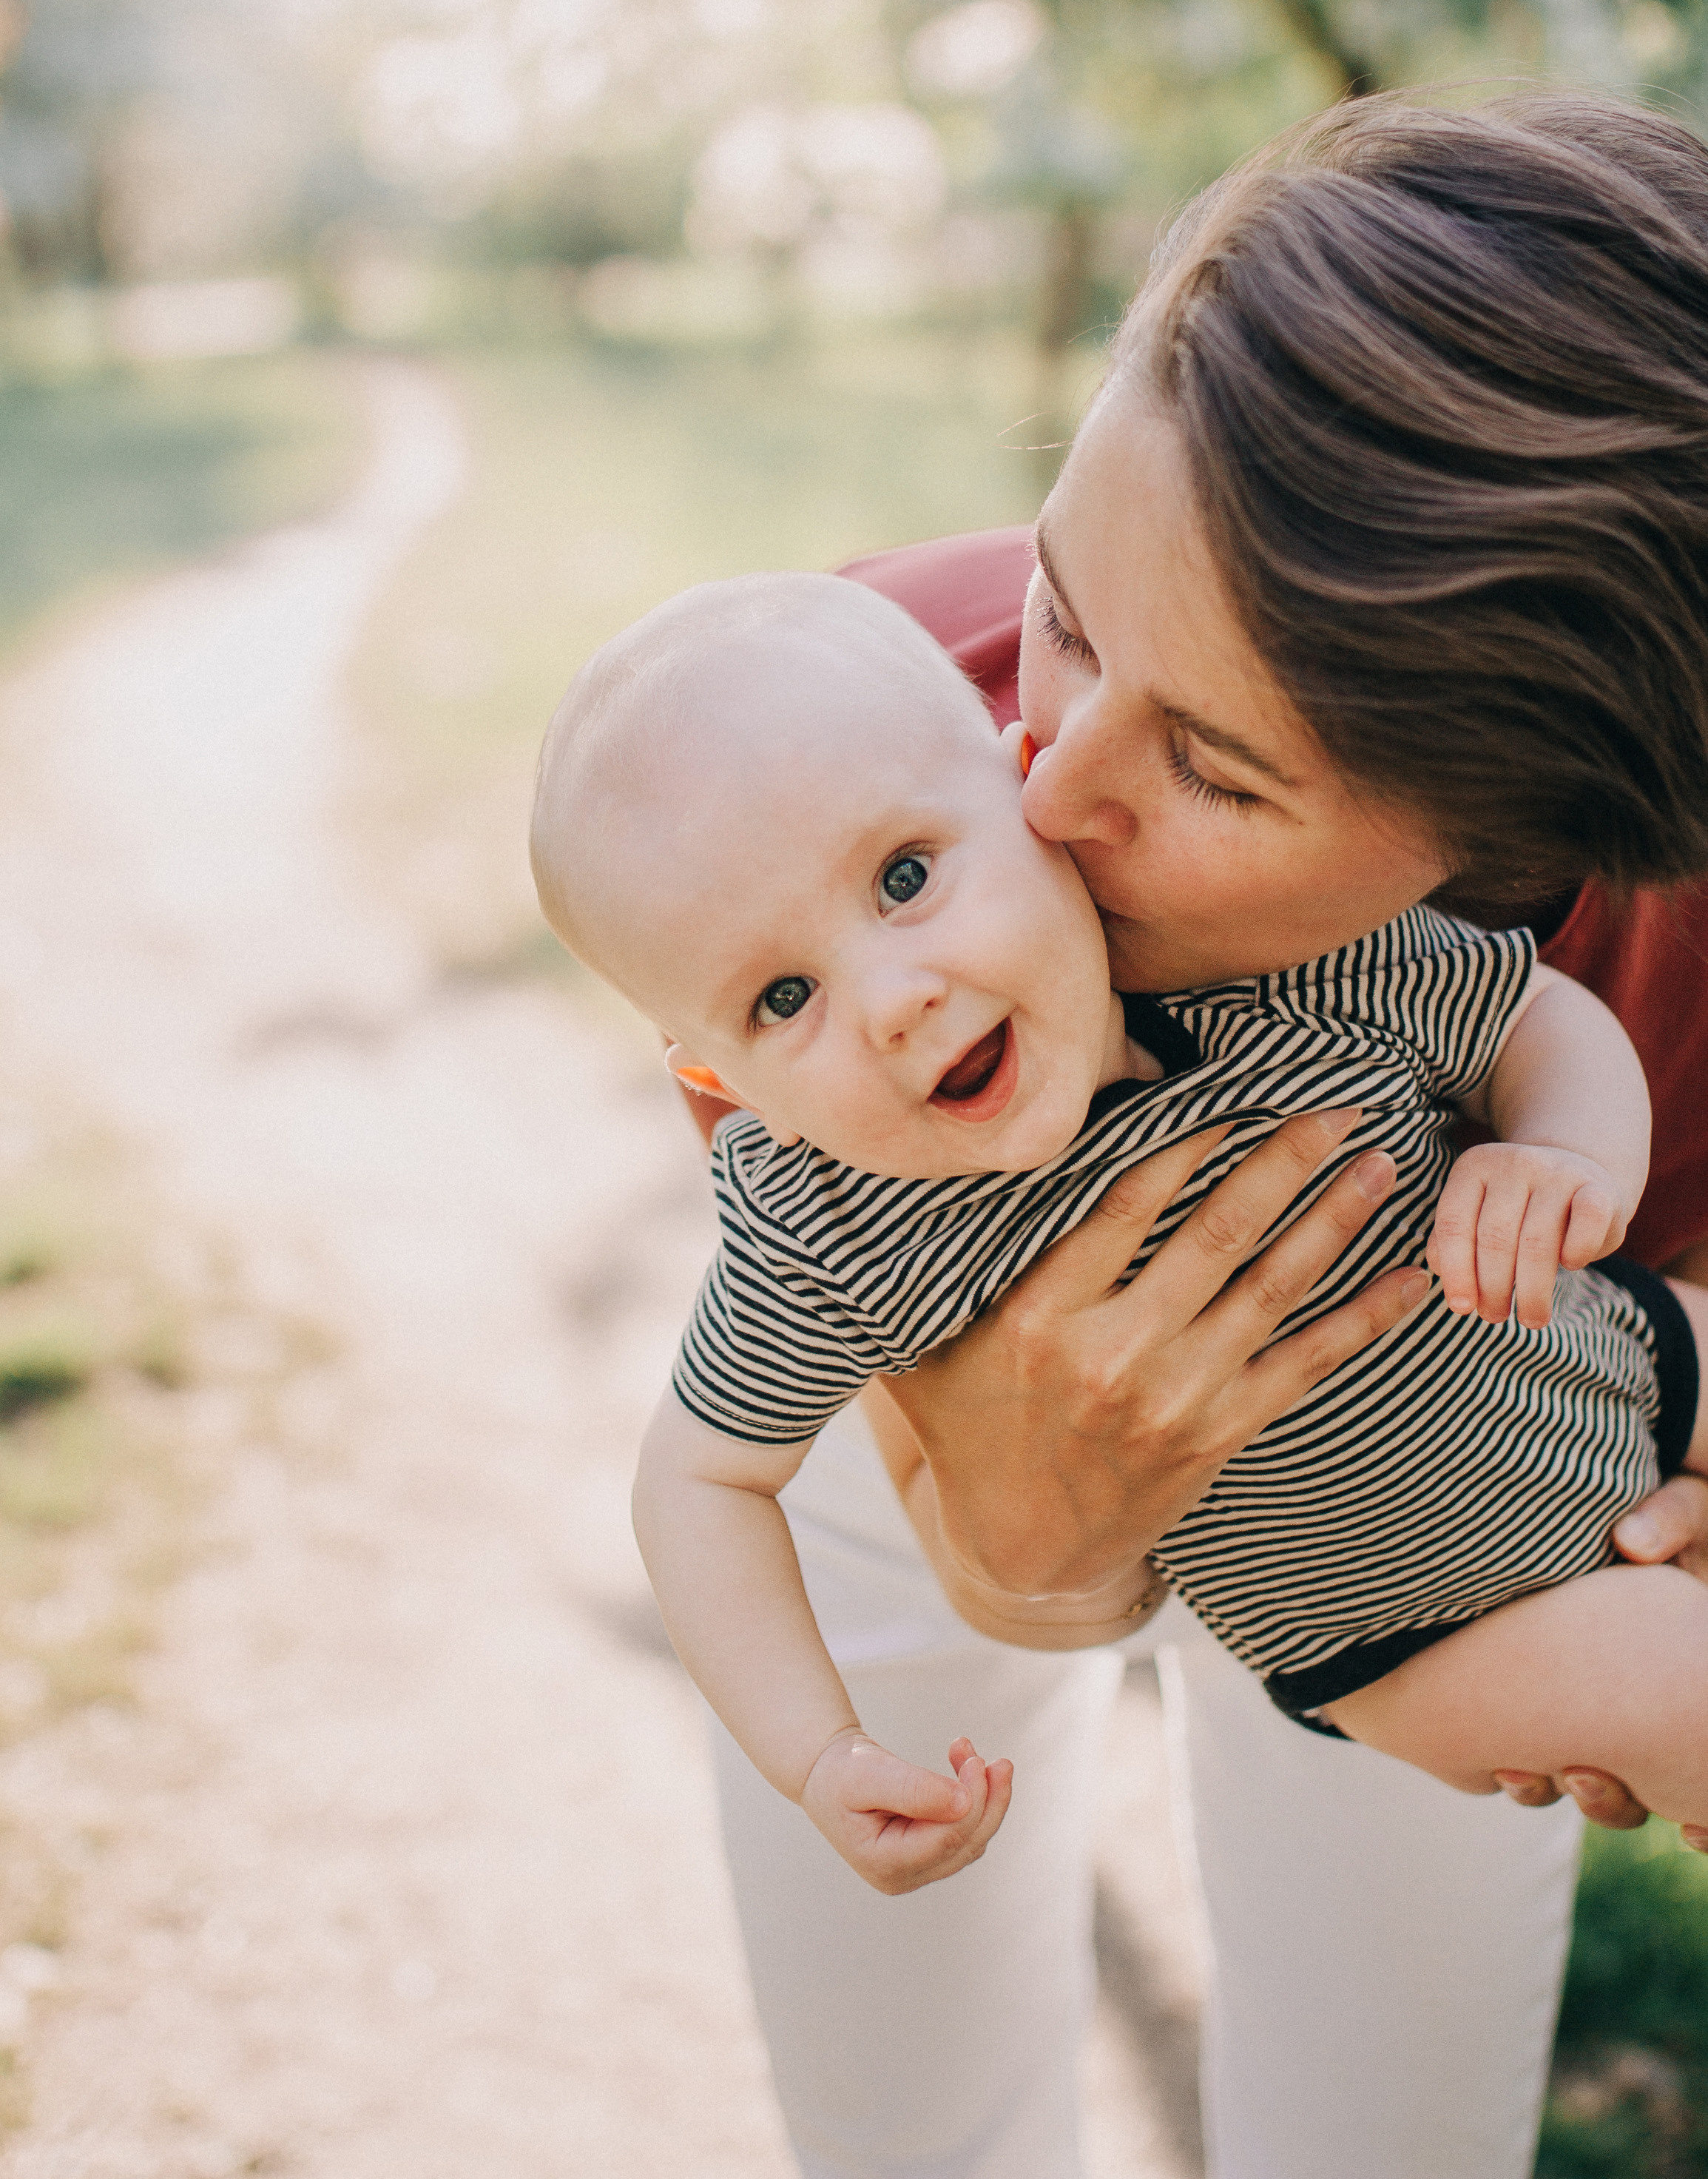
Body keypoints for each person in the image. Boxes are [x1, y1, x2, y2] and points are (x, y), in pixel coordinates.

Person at [649, 92, 1708, 2179]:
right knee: (901, 2110)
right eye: (1069, 605)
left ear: (1488, 865)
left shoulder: (1649, 956)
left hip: (1451, 1477)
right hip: (941, 1400)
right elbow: (913, 1488)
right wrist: (1023, 1560)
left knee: (1390, 2120)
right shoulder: (821, 798)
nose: (1039, 790)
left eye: (1211, 769)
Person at [531, 568, 1707, 1892]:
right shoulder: (829, 1225)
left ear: (1024, 790)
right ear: (716, 1080)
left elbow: (1525, 1018)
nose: (891, 1002)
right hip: (1438, 1621)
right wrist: (815, 1750)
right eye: (782, 995)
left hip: (1638, 1343)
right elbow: (696, 1483)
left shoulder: (1245, 943)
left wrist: (1560, 1151)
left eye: (905, 877)